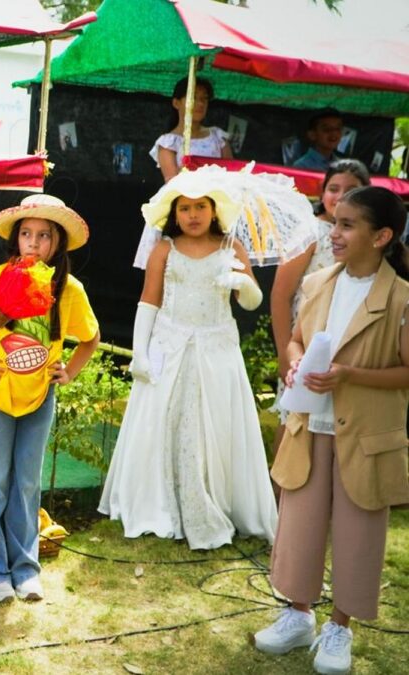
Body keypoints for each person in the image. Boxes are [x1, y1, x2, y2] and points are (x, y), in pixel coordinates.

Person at [253, 187, 409, 675]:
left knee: (358, 531)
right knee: (299, 526)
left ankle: (339, 627)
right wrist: (294, 361)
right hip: (310, 425)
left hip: (364, 436)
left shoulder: (401, 297)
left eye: (347, 225)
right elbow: (297, 339)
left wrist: (349, 376)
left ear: (381, 237)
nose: (334, 233)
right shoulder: (320, 281)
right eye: (334, 222)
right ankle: (298, 615)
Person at [99, 166, 278, 550]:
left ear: (213, 210)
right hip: (170, 343)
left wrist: (243, 284)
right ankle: (162, 503)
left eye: (200, 206)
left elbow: (252, 302)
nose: (193, 215)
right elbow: (149, 299)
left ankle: (216, 501)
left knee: (214, 425)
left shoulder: (233, 248)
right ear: (173, 213)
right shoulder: (164, 249)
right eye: (185, 208)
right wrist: (140, 352)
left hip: (217, 349)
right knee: (165, 422)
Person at [0, 194, 100, 602]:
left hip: (40, 396)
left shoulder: (69, 289)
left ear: (58, 243)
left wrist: (71, 370)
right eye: (26, 234)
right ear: (16, 240)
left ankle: (25, 568)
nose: (34, 242)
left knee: (27, 482)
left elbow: (90, 337)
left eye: (44, 236)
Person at [270, 160, 371, 456]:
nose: (341, 196)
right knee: (294, 420)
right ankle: (282, 496)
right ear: (322, 192)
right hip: (305, 344)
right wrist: (283, 351)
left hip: (349, 347)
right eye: (333, 188)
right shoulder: (310, 232)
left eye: (352, 190)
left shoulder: (371, 239)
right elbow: (280, 294)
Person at [149, 77, 232, 182]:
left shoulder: (218, 137)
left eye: (204, 99)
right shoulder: (168, 143)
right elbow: (172, 184)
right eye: (193, 98)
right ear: (176, 103)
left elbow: (231, 175)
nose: (200, 104)